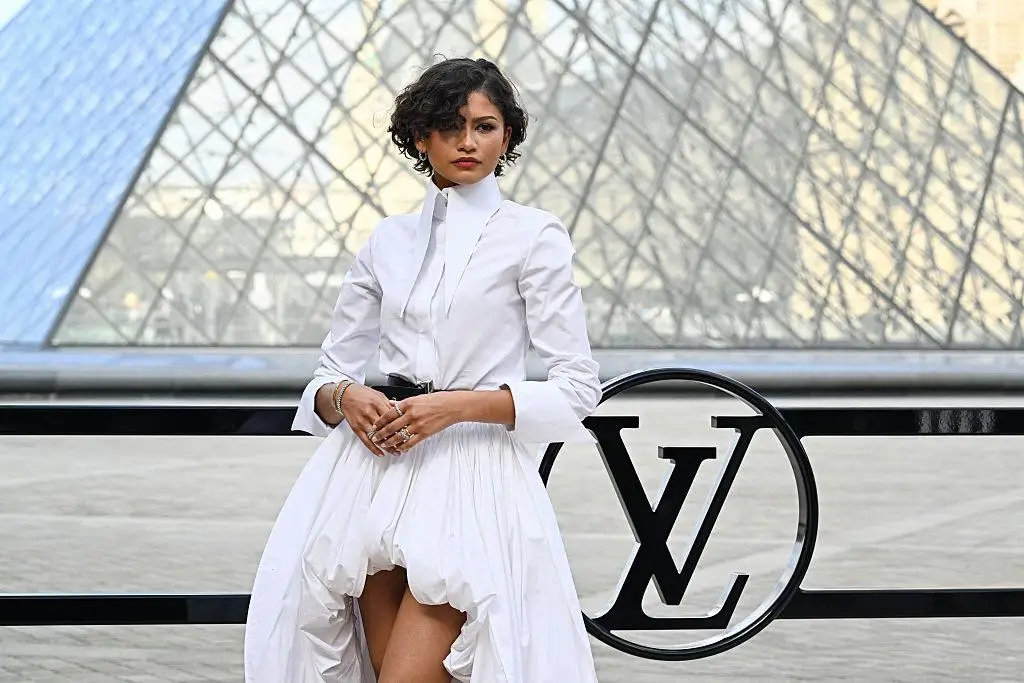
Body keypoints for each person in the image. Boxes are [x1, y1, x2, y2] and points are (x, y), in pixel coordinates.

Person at [243, 56, 602, 682]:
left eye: (485, 126)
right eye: (449, 125)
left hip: (473, 477)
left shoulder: (534, 237)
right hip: (371, 476)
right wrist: (345, 396)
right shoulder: (386, 240)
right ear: (419, 138)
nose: (468, 142)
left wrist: (457, 406)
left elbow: (577, 388)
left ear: (508, 137)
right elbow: (328, 374)